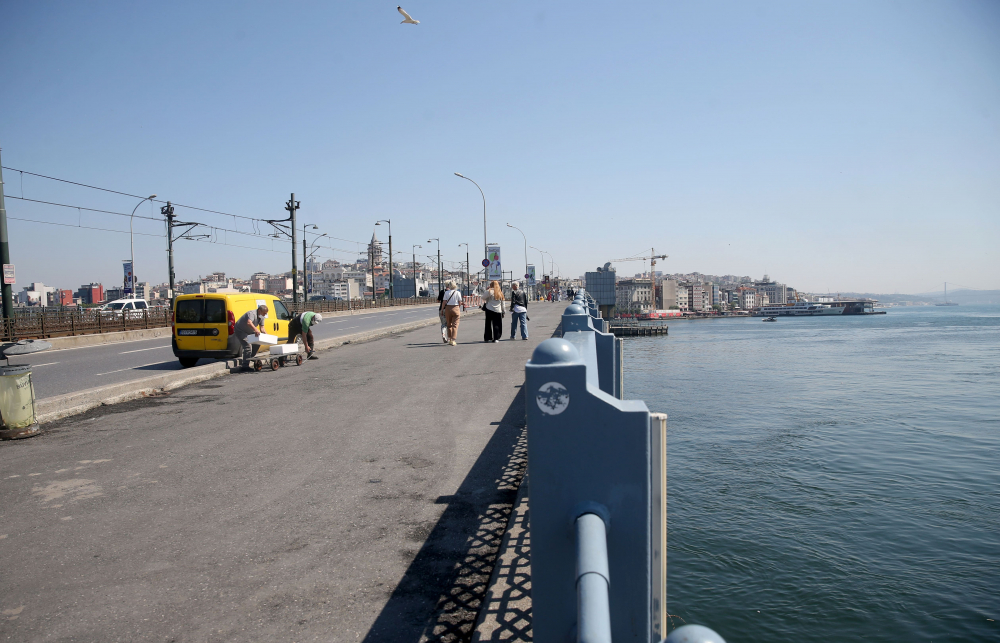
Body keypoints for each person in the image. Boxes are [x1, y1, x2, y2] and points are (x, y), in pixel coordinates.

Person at [235, 304, 268, 371]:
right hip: (240, 330)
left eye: (266, 314)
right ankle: (245, 366)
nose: (265, 315)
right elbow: (249, 323)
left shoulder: (262, 316)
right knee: (248, 346)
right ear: (259, 311)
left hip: (249, 331)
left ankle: (250, 357)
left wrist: (266, 335)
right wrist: (256, 329)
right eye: (264, 313)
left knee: (257, 342)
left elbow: (262, 328)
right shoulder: (252, 313)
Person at [439, 280, 463, 346]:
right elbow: (460, 302)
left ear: (449, 285)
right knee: (455, 325)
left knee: (449, 324)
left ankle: (449, 339)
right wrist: (458, 307)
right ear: (455, 285)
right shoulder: (458, 292)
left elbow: (444, 302)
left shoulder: (446, 293)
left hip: (448, 309)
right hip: (456, 308)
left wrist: (442, 310)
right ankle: (453, 340)